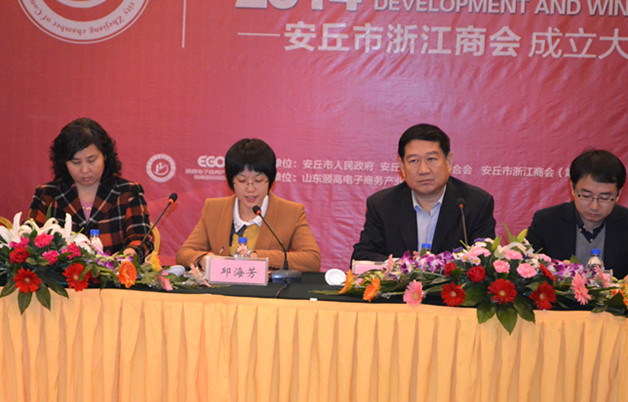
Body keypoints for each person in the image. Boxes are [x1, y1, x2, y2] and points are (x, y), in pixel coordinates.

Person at [351, 123, 496, 262]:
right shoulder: (382, 205)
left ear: (449, 161)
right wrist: (405, 266)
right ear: (402, 167)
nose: (423, 170)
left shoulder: (475, 203)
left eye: (431, 159)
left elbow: (485, 259)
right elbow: (362, 257)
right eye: (414, 161)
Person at [176, 138, 320, 271]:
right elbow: (184, 253)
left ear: (270, 180)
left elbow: (312, 260)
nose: (250, 189)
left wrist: (259, 258)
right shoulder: (214, 209)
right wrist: (204, 259)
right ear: (231, 181)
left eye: (258, 181)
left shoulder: (291, 212)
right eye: (242, 181)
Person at [29, 118, 152, 259]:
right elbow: (30, 241)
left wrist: (127, 256)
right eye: (76, 162)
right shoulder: (47, 195)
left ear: (105, 156)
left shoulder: (127, 192)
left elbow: (142, 238)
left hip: (115, 271)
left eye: (91, 160)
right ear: (64, 162)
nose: (85, 170)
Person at [527, 149, 628, 279]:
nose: (594, 206)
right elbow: (528, 273)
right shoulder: (546, 222)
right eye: (586, 196)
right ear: (572, 188)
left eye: (604, 198)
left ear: (619, 194)